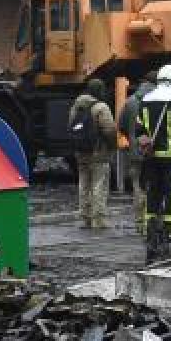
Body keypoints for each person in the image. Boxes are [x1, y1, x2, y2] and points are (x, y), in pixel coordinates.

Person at [137, 65, 171, 263]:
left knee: (153, 193)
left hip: (151, 157)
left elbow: (139, 129)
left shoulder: (144, 101)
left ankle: (149, 228)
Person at [68, 78, 117, 230]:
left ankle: (85, 217)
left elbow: (70, 126)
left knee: (83, 184)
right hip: (98, 152)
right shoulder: (101, 107)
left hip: (81, 152)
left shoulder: (76, 106)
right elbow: (109, 130)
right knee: (99, 185)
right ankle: (98, 219)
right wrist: (113, 146)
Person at [118, 71, 157, 233]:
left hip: (135, 151)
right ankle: (152, 222)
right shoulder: (159, 101)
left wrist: (133, 139)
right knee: (154, 187)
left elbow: (121, 126)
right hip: (155, 152)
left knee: (138, 187)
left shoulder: (130, 101)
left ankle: (140, 222)